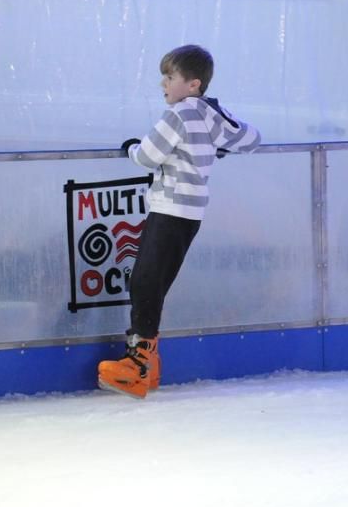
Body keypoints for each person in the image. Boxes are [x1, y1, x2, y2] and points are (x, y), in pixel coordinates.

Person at [97, 44, 261, 398]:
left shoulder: (178, 115)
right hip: (191, 213)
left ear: (193, 84)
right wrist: (219, 137)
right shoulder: (208, 113)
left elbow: (146, 156)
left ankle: (139, 364)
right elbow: (251, 138)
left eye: (170, 77)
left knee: (143, 281)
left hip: (169, 208)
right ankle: (149, 364)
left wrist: (130, 147)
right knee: (154, 282)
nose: (163, 84)